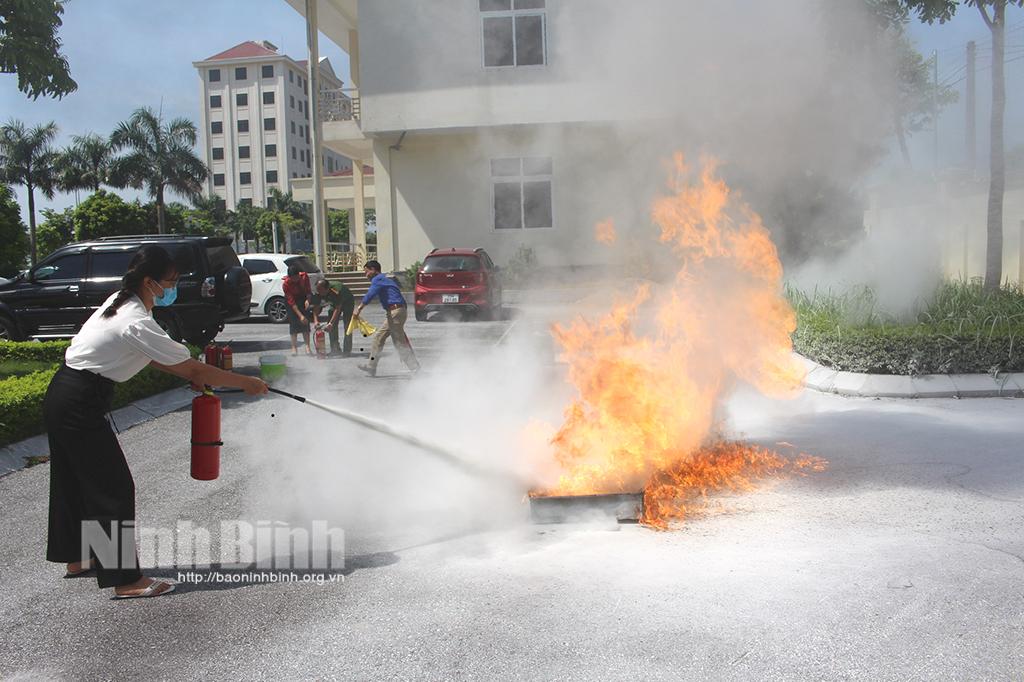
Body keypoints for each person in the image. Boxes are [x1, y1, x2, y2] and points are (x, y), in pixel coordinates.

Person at [45, 245, 268, 599]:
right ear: (149, 282)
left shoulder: (122, 301)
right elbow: (192, 366)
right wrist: (247, 383)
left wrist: (188, 374)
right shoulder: (133, 319)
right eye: (171, 282)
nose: (173, 288)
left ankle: (77, 557)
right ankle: (126, 581)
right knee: (112, 489)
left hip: (66, 394)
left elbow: (150, 357)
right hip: (78, 402)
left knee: (75, 481)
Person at [353, 260, 420, 377]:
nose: (366, 275)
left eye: (366, 272)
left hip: (395, 311)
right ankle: (371, 367)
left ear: (373, 270)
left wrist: (359, 308)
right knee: (379, 338)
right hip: (396, 311)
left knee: (398, 341)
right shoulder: (384, 279)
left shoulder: (378, 279)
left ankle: (415, 368)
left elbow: (370, 294)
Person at [311, 278, 355, 356]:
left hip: (347, 302)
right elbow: (316, 306)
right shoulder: (318, 291)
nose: (319, 292)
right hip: (334, 303)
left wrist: (331, 323)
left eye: (320, 291)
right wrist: (315, 321)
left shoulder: (336, 290)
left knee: (347, 325)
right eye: (318, 290)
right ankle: (335, 349)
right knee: (331, 326)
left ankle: (347, 351)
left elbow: (337, 308)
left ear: (327, 289)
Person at [282, 264, 313, 355]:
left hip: (303, 299)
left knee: (305, 324)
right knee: (294, 324)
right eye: (293, 278)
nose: (296, 279)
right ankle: (294, 348)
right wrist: (300, 316)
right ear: (290, 277)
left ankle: (307, 347)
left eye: (297, 277)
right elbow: (291, 302)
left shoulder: (304, 277)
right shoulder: (286, 284)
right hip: (292, 304)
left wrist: (308, 300)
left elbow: (308, 290)